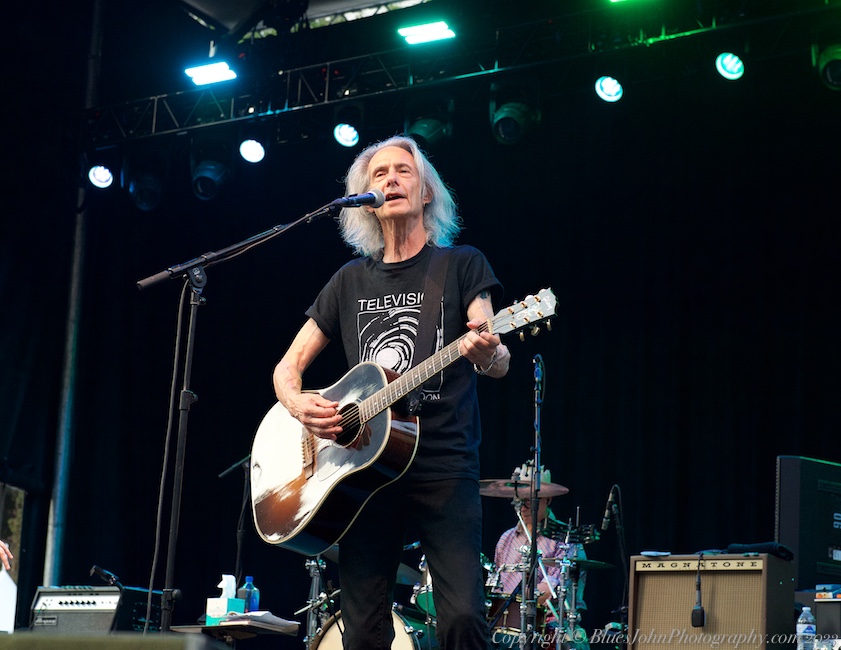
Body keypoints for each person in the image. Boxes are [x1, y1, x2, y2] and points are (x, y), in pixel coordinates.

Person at [273, 135, 510, 650]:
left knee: (462, 618)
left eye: (403, 170)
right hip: (364, 470)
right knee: (361, 632)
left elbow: (497, 357)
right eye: (378, 174)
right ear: (366, 201)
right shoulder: (348, 280)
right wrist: (297, 404)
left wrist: (487, 351)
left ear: (426, 192)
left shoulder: (461, 264)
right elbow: (287, 368)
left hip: (443, 463)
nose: (390, 180)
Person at [491, 465, 588, 644]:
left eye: (529, 501)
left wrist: (520, 602)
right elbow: (497, 585)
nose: (523, 507)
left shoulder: (565, 538)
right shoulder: (506, 539)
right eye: (519, 500)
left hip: (549, 626)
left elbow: (552, 590)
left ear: (548, 499)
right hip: (505, 625)